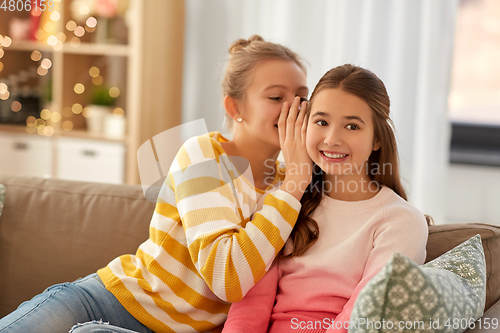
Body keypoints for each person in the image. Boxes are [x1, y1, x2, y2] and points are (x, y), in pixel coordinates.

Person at [0, 35, 313, 333]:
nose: (294, 108)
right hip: (109, 301)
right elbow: (226, 275)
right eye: (276, 97)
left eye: (302, 97)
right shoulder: (205, 155)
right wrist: (295, 185)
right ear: (235, 108)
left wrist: (298, 178)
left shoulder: (294, 184)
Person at [221, 64, 429, 333]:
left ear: (377, 138)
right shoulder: (284, 203)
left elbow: (364, 315)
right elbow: (249, 311)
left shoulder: (400, 221)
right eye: (321, 122)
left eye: (352, 126)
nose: (332, 139)